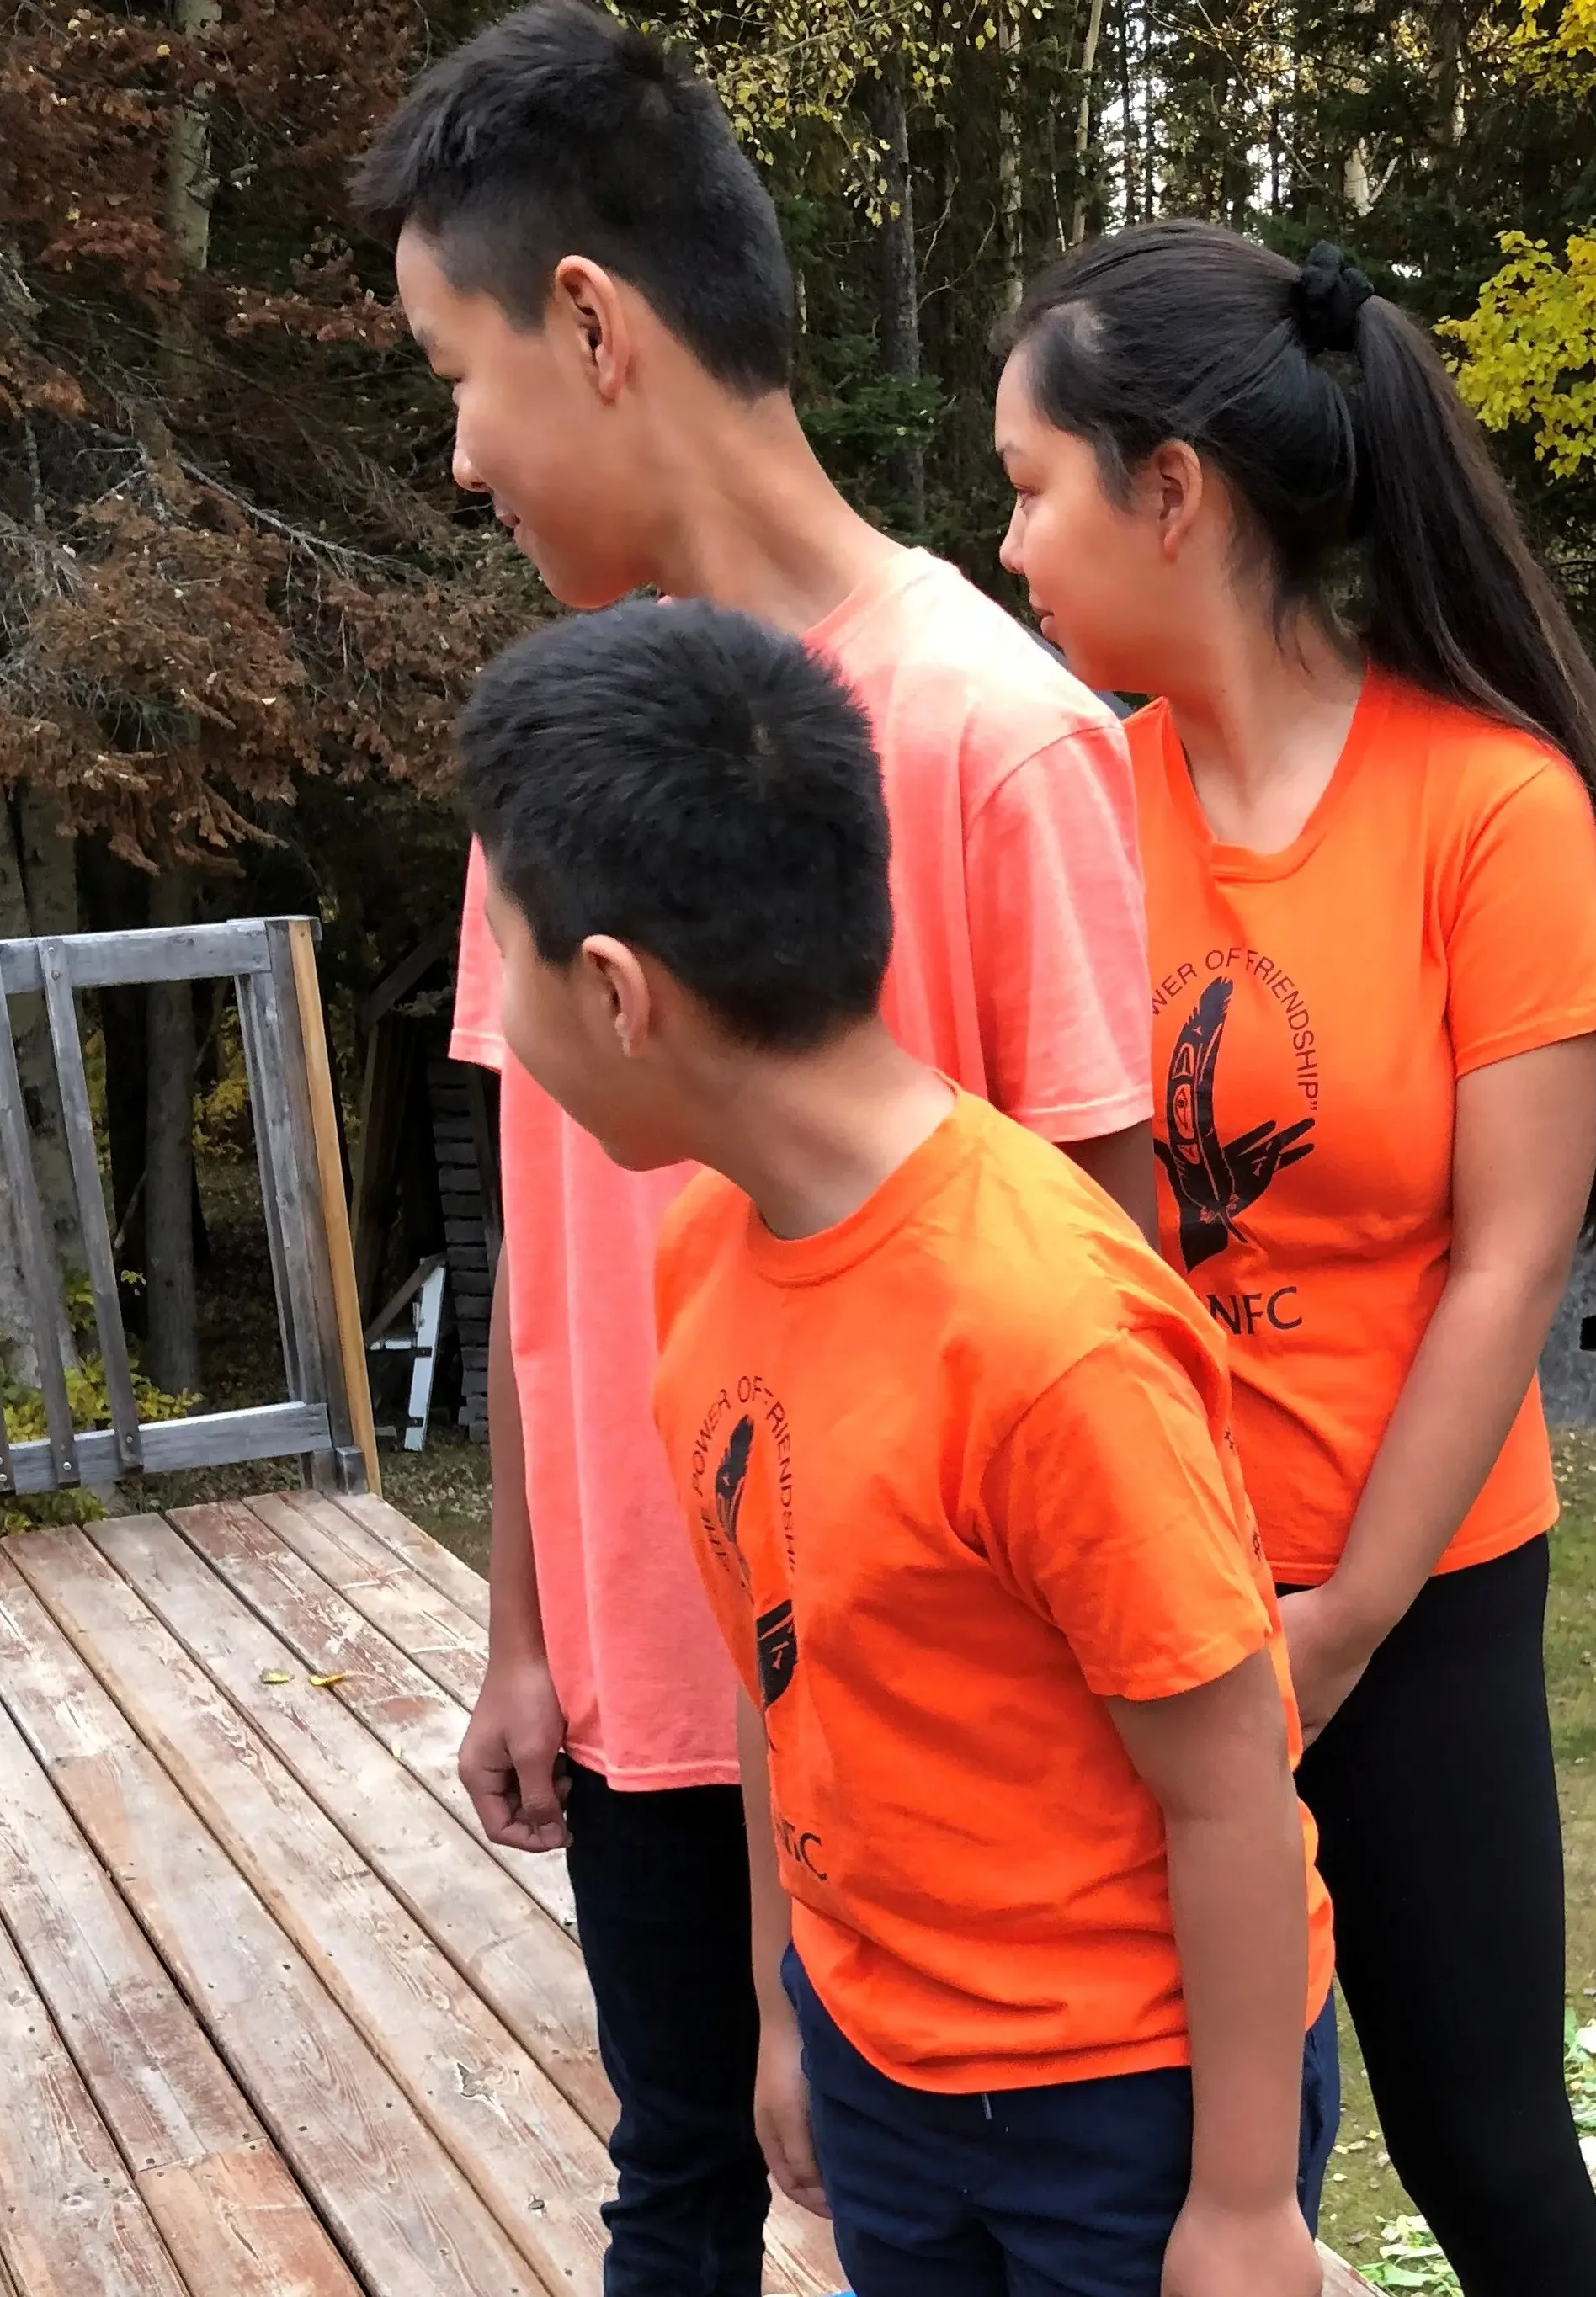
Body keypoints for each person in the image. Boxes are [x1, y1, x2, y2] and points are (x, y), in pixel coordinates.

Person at [351, 13, 1153, 2291]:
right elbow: (543, 1235)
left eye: (457, 373)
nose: (462, 461)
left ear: (587, 325)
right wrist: (527, 1631)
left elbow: (1116, 1309)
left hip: (924, 1745)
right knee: (674, 2189)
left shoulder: (1000, 747)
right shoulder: (563, 752)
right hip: (639, 1675)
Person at [993, 220, 1596, 2297]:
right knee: (1158, 2175)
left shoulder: (1490, 809)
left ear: (1170, 489)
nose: (1011, 545)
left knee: (1485, 2157)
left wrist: (1342, 1622)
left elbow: (1506, 1260)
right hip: (1127, 1590)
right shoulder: (1067, 802)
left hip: (1411, 1600)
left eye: (1031, 484)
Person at [455, 595, 1340, 2297]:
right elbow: (777, 1656)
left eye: (507, 961)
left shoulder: (1044, 1332)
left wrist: (1240, 2207)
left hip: (1131, 2098)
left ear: (618, 994)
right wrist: (788, 2008)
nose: (503, 1022)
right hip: (886, 2064)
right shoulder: (706, 1256)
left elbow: (1232, 1787)